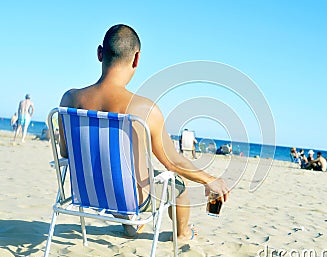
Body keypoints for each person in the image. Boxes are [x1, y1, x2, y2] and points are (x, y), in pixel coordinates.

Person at [58, 24, 230, 240]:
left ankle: (131, 225)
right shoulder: (144, 110)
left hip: (87, 193)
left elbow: (65, 153)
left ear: (100, 53)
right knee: (178, 186)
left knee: (116, 180)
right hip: (131, 199)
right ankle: (184, 234)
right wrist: (209, 179)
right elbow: (173, 163)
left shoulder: (69, 100)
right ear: (136, 58)